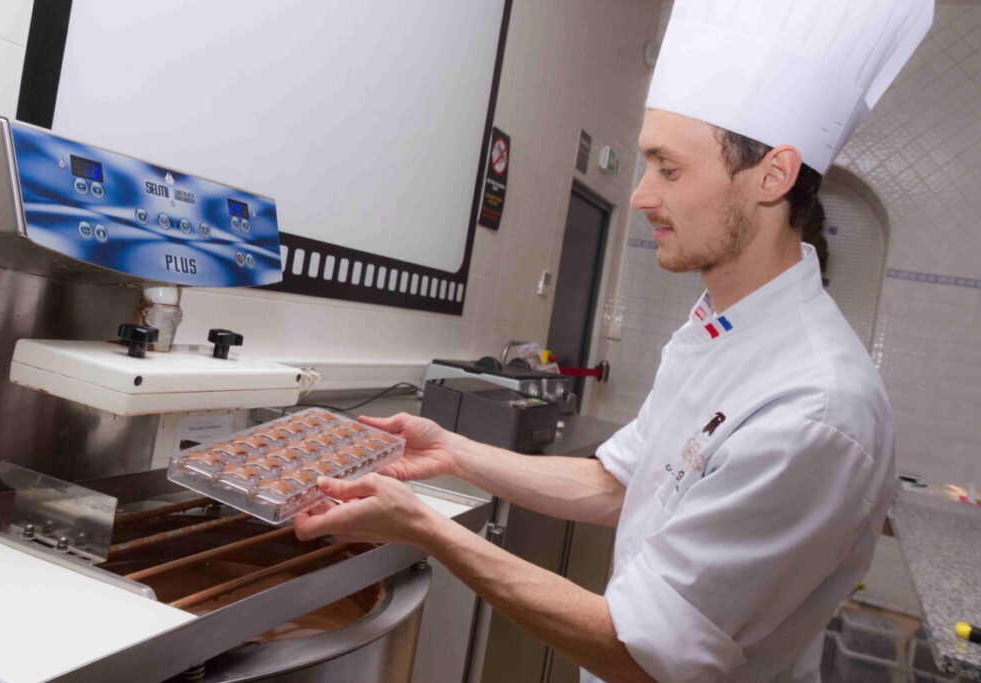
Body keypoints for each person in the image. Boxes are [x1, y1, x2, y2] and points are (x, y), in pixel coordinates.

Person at [294, 1, 933, 680]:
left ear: (772, 176)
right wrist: (453, 452)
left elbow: (644, 652)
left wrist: (427, 528)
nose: (639, 196)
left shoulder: (817, 411)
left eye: (670, 169)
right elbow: (617, 483)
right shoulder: (716, 329)